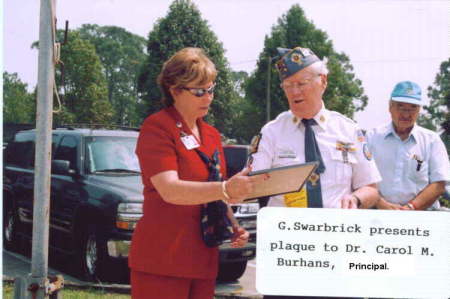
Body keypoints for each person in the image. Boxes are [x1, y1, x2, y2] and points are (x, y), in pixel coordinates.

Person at [129, 47, 265, 299]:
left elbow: (214, 191)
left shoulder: (212, 135)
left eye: (211, 89)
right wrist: (225, 188)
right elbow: (170, 189)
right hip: (163, 259)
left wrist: (234, 226)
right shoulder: (157, 127)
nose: (208, 97)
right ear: (174, 90)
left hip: (203, 258)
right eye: (199, 91)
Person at [250, 46, 382, 299]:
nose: (295, 92)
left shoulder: (349, 130)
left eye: (302, 83)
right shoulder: (271, 132)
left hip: (339, 251)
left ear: (323, 82)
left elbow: (371, 189)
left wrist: (355, 199)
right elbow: (252, 185)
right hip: (288, 253)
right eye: (288, 86)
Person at [367, 81, 450, 210]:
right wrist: (380, 204)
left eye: (412, 107)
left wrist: (411, 208)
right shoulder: (372, 137)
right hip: (377, 213)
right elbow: (361, 179)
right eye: (400, 106)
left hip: (421, 216)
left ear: (419, 110)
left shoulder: (432, 140)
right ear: (390, 107)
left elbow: (439, 184)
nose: (406, 114)